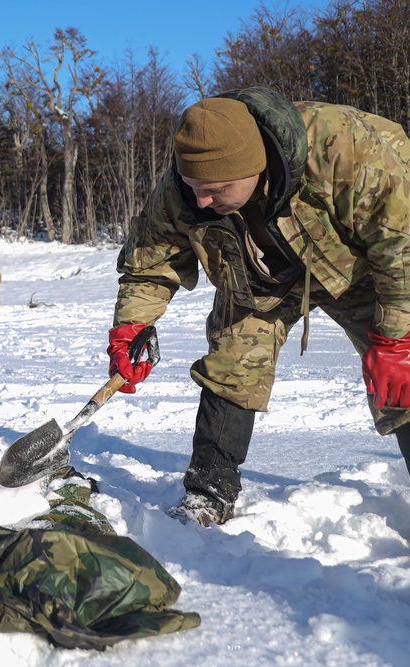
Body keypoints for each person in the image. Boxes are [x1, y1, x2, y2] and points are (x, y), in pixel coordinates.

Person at [107, 86, 410, 527]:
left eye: (217, 189)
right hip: (263, 277)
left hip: (365, 267)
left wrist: (396, 340)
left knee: (404, 378)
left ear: (255, 167)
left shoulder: (345, 150)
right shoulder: (182, 190)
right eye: (195, 189)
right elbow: (149, 264)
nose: (203, 201)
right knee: (232, 362)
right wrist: (129, 328)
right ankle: (208, 493)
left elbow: (402, 247)